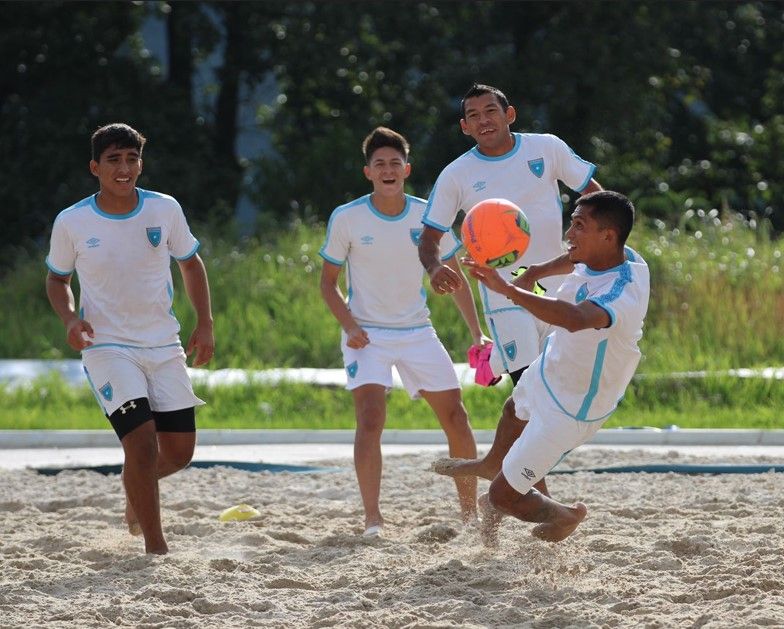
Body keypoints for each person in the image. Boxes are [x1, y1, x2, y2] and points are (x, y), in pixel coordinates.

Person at [433, 190, 649, 546]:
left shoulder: (623, 293)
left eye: (579, 226)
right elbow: (574, 259)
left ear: (608, 235)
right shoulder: (619, 254)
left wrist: (509, 290)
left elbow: (577, 318)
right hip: (552, 367)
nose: (569, 234)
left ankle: (565, 515)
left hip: (573, 406)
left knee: (502, 498)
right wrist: (535, 271)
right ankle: (492, 462)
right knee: (513, 410)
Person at [45, 123, 214, 555]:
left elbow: (191, 265)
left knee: (178, 453)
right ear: (95, 167)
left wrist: (205, 323)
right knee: (140, 445)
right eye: (114, 159)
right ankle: (155, 546)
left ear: (141, 163)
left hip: (163, 343)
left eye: (132, 158)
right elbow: (57, 279)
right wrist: (68, 319)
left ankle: (135, 486)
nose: (124, 168)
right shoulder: (73, 220)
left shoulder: (164, 209)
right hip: (106, 346)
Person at [320, 127, 486, 536]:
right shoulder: (347, 217)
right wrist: (350, 326)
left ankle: (469, 515)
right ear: (368, 172)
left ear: (407, 169)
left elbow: (455, 277)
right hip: (367, 335)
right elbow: (327, 284)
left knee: (457, 418)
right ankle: (373, 518)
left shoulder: (427, 216)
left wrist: (477, 333)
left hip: (417, 331)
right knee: (371, 418)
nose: (388, 169)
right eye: (380, 163)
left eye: (396, 162)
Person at [419, 83, 603, 386]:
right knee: (529, 387)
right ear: (465, 127)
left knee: (565, 385)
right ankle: (499, 361)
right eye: (474, 116)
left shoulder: (546, 148)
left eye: (491, 111)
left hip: (559, 287)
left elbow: (596, 197)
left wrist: (602, 240)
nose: (484, 120)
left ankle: (493, 361)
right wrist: (435, 267)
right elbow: (428, 238)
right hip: (503, 292)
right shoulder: (456, 174)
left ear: (510, 114)